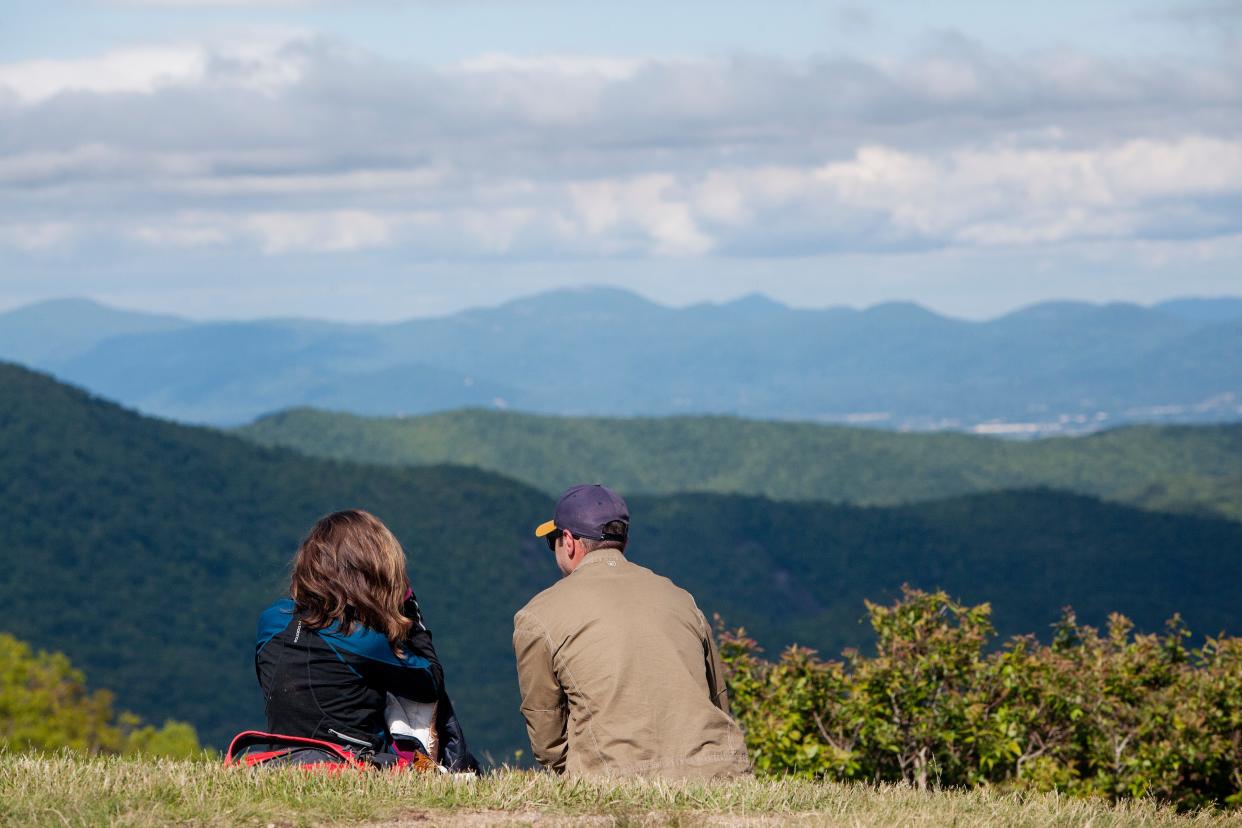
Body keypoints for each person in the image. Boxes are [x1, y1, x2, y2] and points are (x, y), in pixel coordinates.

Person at [512, 484, 751, 779]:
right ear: (622, 542)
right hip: (719, 771)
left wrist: (573, 776)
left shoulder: (538, 615)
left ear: (570, 541)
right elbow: (718, 698)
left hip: (615, 776)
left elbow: (547, 732)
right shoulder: (681, 598)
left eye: (553, 540)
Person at [254, 509, 476, 770]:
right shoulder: (362, 640)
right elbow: (430, 682)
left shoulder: (271, 621)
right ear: (368, 573)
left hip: (279, 760)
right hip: (351, 762)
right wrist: (410, 611)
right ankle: (459, 768)